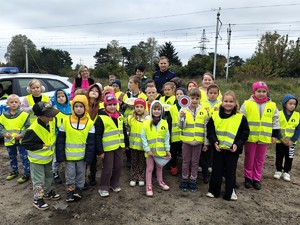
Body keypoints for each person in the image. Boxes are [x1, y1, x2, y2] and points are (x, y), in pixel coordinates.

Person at [206, 91, 249, 201]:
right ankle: (213, 191)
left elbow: (244, 133)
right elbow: (210, 130)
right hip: (218, 149)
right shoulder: (215, 115)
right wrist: (214, 141)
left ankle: (230, 192)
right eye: (226, 101)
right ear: (222, 102)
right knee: (217, 170)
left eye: (231, 101)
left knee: (230, 171)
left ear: (235, 103)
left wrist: (237, 144)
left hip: (232, 150)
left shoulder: (241, 117)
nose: (228, 103)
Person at [56, 95, 99, 202]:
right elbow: (60, 140)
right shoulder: (66, 121)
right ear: (72, 107)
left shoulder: (89, 123)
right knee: (70, 175)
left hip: (82, 157)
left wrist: (89, 157)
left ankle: (78, 190)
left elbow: (91, 143)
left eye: (81, 106)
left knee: (81, 174)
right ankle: (70, 191)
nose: (78, 108)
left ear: (85, 108)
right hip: (69, 156)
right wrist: (60, 155)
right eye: (76, 106)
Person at [240, 81, 280, 190]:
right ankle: (248, 178)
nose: (261, 93)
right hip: (250, 138)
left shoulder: (272, 105)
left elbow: (276, 121)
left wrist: (274, 135)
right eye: (259, 91)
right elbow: (241, 120)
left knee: (260, 160)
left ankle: (256, 178)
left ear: (267, 92)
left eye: (264, 91)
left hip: (264, 138)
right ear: (254, 92)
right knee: (249, 158)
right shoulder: (247, 104)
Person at [22, 101, 61, 210]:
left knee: (49, 175)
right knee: (38, 179)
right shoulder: (33, 130)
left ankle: (47, 192)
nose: (52, 117)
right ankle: (37, 199)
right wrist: (40, 146)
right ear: (40, 116)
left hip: (48, 157)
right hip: (37, 160)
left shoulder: (51, 122)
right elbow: (25, 143)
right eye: (49, 115)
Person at [98, 92, 129, 197]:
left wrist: (126, 143)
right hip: (107, 148)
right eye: (110, 105)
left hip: (119, 146)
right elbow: (97, 136)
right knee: (107, 168)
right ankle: (103, 186)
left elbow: (123, 130)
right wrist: (100, 151)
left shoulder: (120, 115)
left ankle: (114, 183)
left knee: (118, 166)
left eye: (114, 104)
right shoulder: (101, 117)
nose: (112, 107)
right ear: (105, 105)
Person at [178, 88, 209, 192]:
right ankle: (184, 179)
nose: (194, 100)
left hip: (198, 142)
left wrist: (206, 142)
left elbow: (206, 128)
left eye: (197, 98)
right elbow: (181, 126)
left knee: (195, 162)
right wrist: (182, 118)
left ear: (200, 99)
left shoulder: (203, 111)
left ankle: (193, 180)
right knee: (186, 161)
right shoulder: (183, 110)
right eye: (192, 98)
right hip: (187, 141)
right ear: (188, 98)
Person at [141, 100, 171, 197]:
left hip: (161, 151)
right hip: (150, 152)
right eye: (155, 109)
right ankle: (149, 186)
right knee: (150, 168)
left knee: (160, 168)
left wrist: (167, 150)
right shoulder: (146, 123)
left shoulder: (164, 123)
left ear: (161, 111)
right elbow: (143, 137)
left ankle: (160, 181)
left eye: (159, 109)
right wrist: (147, 149)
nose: (156, 111)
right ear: (151, 110)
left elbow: (167, 138)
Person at [0, 94, 30, 184]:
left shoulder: (24, 115)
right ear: (7, 103)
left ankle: (26, 173)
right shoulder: (3, 116)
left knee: (24, 157)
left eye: (16, 102)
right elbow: (1, 126)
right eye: (11, 102)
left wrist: (21, 135)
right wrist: (4, 133)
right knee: (12, 157)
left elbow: (28, 127)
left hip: (21, 140)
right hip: (9, 140)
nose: (14, 104)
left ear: (19, 103)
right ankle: (14, 171)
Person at [122, 75, 147, 168]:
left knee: (137, 139)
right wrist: (124, 105)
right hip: (127, 120)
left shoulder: (143, 96)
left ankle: (139, 159)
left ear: (136, 84)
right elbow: (122, 106)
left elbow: (145, 109)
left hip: (138, 121)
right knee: (128, 140)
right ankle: (129, 158)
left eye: (131, 82)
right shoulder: (126, 95)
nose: (129, 84)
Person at [274, 94, 300, 182]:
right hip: (280, 141)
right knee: (279, 156)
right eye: (290, 103)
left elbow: (298, 129)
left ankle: (286, 172)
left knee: (289, 157)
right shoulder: (279, 114)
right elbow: (276, 127)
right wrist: (281, 139)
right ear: (285, 104)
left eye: (294, 104)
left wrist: (292, 140)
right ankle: (278, 170)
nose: (293, 106)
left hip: (291, 143)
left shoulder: (297, 115)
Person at [200, 84, 222, 183]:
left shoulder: (221, 104)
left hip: (217, 132)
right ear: (207, 93)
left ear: (218, 94)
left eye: (215, 93)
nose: (212, 95)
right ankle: (205, 174)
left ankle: (216, 173)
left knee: (216, 154)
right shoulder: (202, 104)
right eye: (210, 93)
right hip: (205, 131)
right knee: (205, 152)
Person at [51, 89, 72, 184]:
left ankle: (69, 172)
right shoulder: (54, 110)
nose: (61, 98)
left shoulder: (71, 107)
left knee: (69, 155)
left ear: (66, 97)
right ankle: (55, 172)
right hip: (58, 136)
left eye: (63, 96)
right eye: (58, 97)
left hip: (70, 136)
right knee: (57, 156)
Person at [128, 98, 148, 187]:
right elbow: (128, 129)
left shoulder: (147, 119)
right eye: (137, 106)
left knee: (142, 163)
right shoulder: (131, 118)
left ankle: (141, 177)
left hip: (143, 146)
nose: (139, 108)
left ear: (144, 108)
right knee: (134, 162)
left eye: (141, 106)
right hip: (133, 146)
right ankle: (133, 177)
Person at [85, 83, 102, 186]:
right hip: (85, 132)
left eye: (97, 91)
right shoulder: (84, 103)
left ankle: (92, 176)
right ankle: (83, 177)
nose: (94, 92)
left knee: (94, 157)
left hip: (96, 133)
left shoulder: (100, 105)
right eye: (92, 90)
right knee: (85, 156)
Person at [167, 87, 187, 176]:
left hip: (186, 135)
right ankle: (173, 166)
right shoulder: (172, 107)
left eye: (181, 94)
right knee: (174, 152)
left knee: (185, 153)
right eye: (177, 94)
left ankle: (185, 169)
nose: (179, 95)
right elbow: (169, 121)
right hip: (175, 135)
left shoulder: (188, 107)